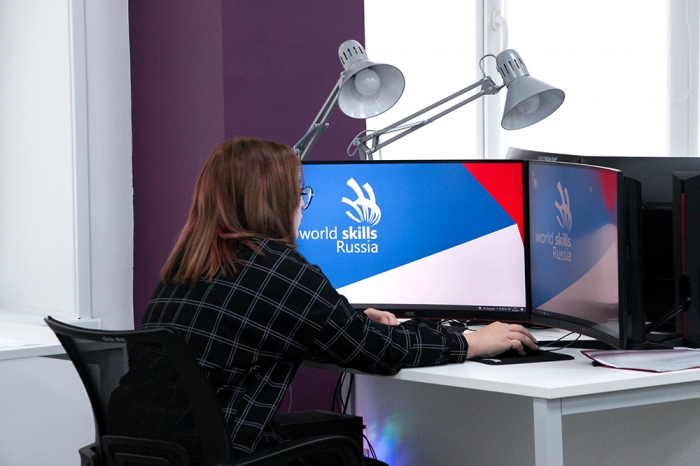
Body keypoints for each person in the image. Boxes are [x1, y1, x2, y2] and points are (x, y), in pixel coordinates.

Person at [138, 136, 538, 461]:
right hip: (229, 453)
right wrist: (471, 342)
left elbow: (264, 325)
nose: (301, 206)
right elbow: (380, 352)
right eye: (298, 194)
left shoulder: (185, 268)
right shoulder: (277, 271)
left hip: (156, 451)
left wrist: (352, 322)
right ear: (274, 202)